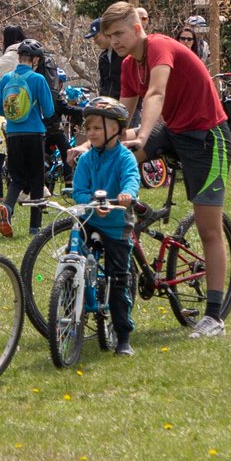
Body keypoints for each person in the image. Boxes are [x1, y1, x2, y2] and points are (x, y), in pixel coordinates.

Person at [103, 0, 231, 333]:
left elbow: (156, 94)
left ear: (136, 28)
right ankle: (140, 213)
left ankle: (214, 315)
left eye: (119, 33)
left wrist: (144, 133)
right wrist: (94, 142)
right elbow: (120, 114)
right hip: (174, 129)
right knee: (117, 159)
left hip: (207, 134)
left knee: (208, 228)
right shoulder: (130, 65)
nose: (115, 41)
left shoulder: (160, 46)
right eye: (109, 36)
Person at [68, 97, 142, 354]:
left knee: (118, 279)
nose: (91, 133)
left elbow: (132, 179)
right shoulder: (87, 160)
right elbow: (79, 189)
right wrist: (86, 201)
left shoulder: (124, 158)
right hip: (89, 220)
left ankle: (123, 337)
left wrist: (126, 194)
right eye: (88, 128)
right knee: (72, 257)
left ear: (116, 131)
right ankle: (67, 314)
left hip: (115, 224)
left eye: (97, 128)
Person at [0, 38, 56, 238]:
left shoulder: (5, 79)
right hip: (34, 133)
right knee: (37, 179)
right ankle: (34, 228)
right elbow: (49, 111)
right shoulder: (38, 79)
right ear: (36, 60)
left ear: (19, 57)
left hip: (13, 133)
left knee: (17, 179)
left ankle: (7, 207)